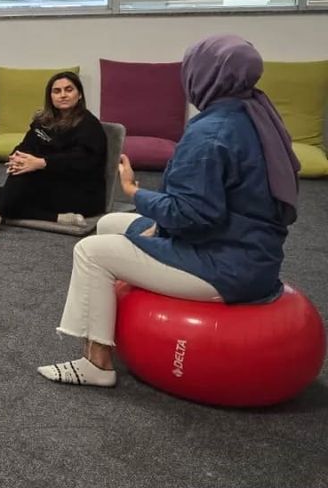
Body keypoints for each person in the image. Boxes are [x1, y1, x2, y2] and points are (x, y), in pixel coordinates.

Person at [37, 35, 299, 388]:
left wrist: (134, 192)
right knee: (111, 222)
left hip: (225, 266)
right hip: (245, 250)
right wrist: (159, 224)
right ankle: (112, 324)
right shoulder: (255, 112)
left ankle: (96, 363)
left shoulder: (211, 132)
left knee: (89, 251)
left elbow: (189, 215)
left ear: (204, 75)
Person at [0, 71, 107, 237]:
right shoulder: (43, 120)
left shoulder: (90, 125)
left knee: (21, 179)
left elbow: (84, 161)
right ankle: (59, 218)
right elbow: (26, 145)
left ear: (80, 94)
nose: (63, 95)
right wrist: (16, 157)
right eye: (57, 91)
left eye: (69, 90)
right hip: (49, 185)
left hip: (81, 193)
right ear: (50, 97)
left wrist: (41, 163)